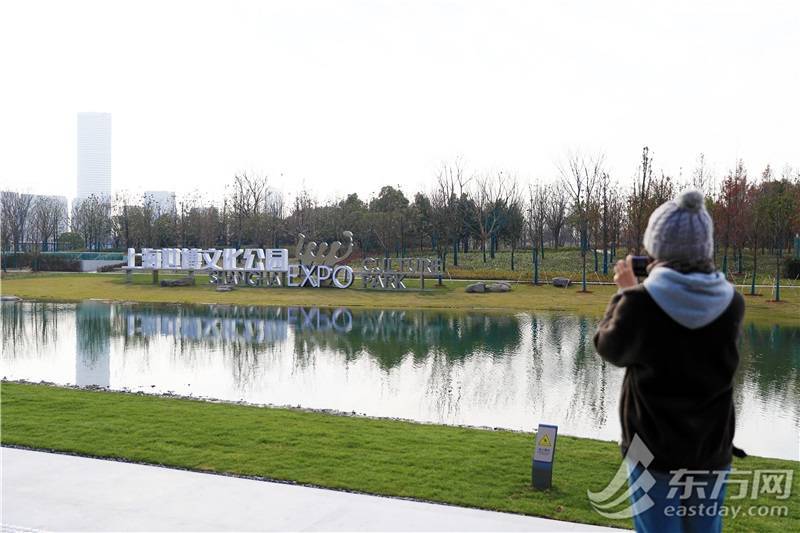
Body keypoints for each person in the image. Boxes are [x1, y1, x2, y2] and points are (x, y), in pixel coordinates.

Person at [594, 189, 744, 533]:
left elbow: (608, 347)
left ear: (657, 250)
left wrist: (625, 291)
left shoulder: (640, 304)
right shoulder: (732, 304)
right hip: (711, 451)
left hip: (653, 454)